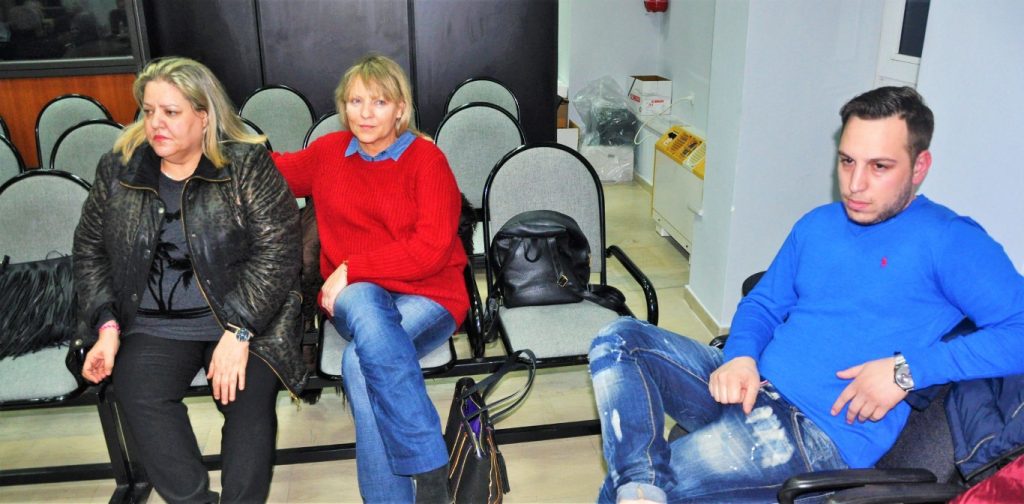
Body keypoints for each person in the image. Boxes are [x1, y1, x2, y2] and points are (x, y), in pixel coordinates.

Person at [588, 86, 1024, 503]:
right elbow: (763, 303)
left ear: (920, 166)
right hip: (752, 383)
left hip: (809, 434)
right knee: (620, 338)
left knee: (619, 493)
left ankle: (640, 487)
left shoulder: (950, 240)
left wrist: (905, 371)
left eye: (879, 167)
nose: (855, 184)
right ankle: (641, 483)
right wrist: (740, 355)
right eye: (847, 161)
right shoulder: (819, 224)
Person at [73, 57, 305, 503]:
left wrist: (239, 330)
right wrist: (106, 325)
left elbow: (278, 253)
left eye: (171, 112)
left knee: (248, 402)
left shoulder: (246, 165)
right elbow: (89, 250)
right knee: (138, 391)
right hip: (153, 324)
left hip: (242, 319)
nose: (155, 123)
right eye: (148, 111)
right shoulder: (120, 169)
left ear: (204, 116)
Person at [271, 54, 468, 503]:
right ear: (343, 107)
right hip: (356, 300)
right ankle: (430, 462)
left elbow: (429, 251)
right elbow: (270, 170)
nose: (365, 113)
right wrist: (209, 137)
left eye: (379, 102)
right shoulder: (328, 154)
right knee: (361, 297)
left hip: (428, 294)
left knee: (359, 366)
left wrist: (352, 267)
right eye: (355, 101)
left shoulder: (427, 160)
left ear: (400, 108)